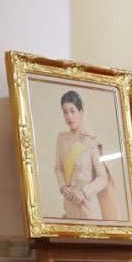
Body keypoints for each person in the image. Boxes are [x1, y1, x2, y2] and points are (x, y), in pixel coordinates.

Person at [52, 90, 123, 221]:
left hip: (89, 207)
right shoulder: (61, 139)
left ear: (81, 112)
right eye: (65, 112)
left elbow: (103, 178)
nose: (69, 116)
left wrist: (84, 192)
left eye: (72, 111)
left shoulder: (90, 141)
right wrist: (62, 186)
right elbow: (58, 168)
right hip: (69, 205)